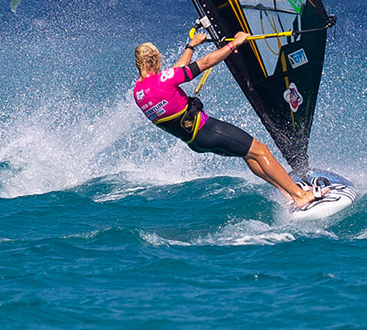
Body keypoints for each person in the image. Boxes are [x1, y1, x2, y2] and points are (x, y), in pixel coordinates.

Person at [131, 31, 325, 210]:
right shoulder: (163, 80)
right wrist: (234, 44)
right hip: (207, 130)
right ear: (156, 61)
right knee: (260, 150)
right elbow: (205, 62)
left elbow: (175, 73)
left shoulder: (138, 92)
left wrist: (191, 46)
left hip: (195, 142)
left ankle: (286, 192)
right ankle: (300, 195)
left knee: (248, 155)